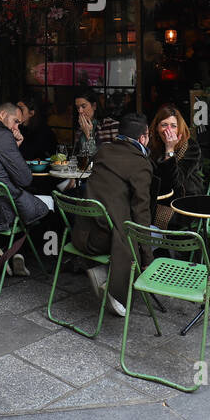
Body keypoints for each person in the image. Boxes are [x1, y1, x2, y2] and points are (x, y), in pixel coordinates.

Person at [70, 113, 154, 317]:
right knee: (149, 232)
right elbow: (141, 212)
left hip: (80, 236)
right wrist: (147, 257)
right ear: (144, 137)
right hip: (104, 241)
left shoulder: (103, 152)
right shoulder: (140, 163)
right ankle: (116, 290)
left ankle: (101, 271)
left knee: (118, 222)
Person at [0, 102, 57, 273]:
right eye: (15, 121)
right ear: (2, 115)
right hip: (3, 205)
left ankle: (9, 253)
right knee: (48, 204)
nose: (16, 127)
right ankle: (19, 253)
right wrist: (14, 146)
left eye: (19, 124)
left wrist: (14, 147)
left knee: (26, 205)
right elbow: (25, 178)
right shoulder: (3, 136)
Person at [147, 104, 205, 227]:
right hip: (157, 197)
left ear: (179, 129)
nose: (169, 130)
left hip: (184, 201)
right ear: (157, 128)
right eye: (164, 125)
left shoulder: (190, 147)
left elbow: (175, 182)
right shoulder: (153, 146)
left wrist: (170, 150)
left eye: (173, 126)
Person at [71, 89, 118, 160]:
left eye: (83, 106)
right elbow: (76, 156)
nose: (80, 111)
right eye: (78, 107)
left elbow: (112, 157)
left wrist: (88, 135)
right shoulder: (80, 127)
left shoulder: (111, 125)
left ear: (94, 106)